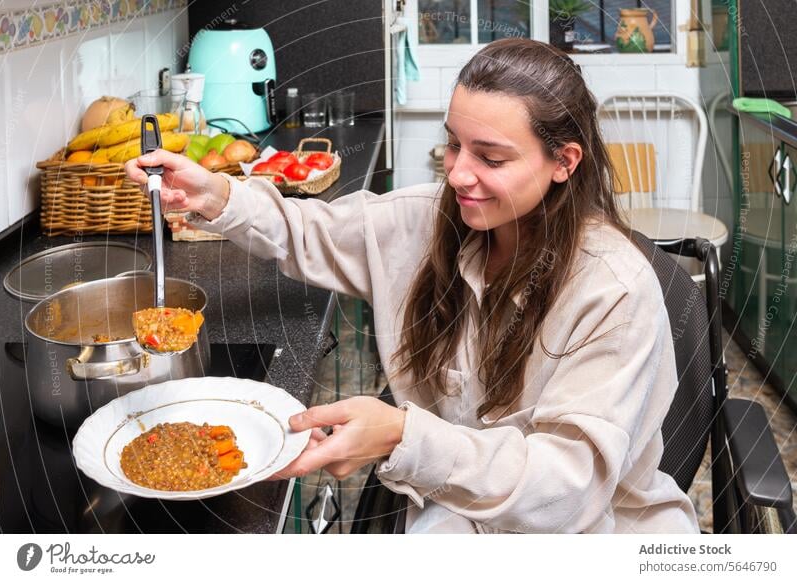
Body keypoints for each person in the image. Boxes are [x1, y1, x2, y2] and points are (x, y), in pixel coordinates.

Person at [125, 39, 700, 534]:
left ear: (564, 162)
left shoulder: (615, 291)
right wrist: (214, 195)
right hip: (459, 512)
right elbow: (309, 230)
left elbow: (566, 489)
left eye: (490, 157)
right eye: (454, 144)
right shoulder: (429, 221)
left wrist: (402, 436)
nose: (457, 174)